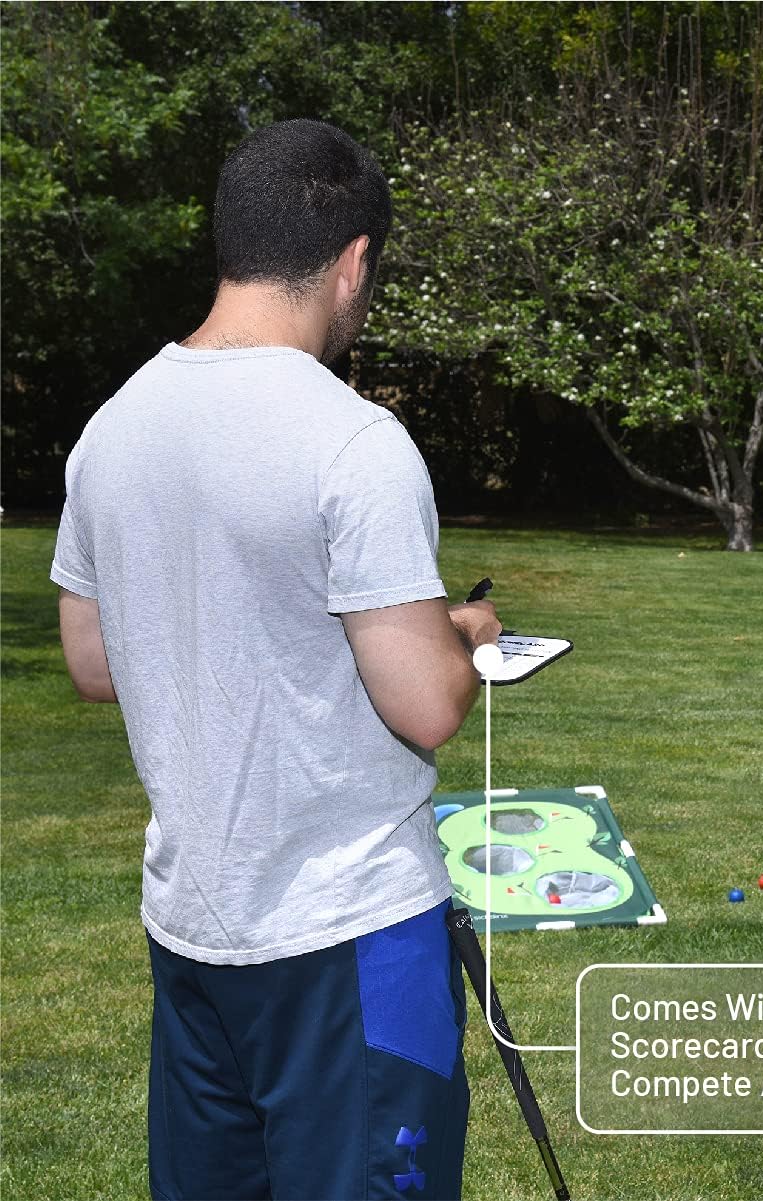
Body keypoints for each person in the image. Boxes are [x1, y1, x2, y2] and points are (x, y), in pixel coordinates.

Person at [51, 119, 500, 1200]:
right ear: (352, 262)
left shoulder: (111, 428)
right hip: (350, 930)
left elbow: (96, 661)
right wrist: (466, 634)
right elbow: (426, 705)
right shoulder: (352, 439)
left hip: (195, 925)